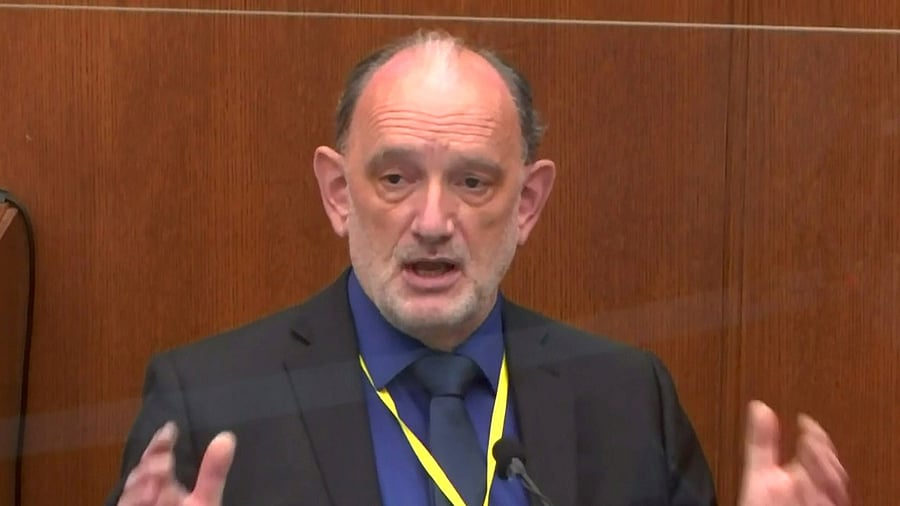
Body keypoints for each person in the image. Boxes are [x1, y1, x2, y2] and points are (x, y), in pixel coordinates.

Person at [107, 30, 849, 506]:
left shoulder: (630, 401)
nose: (432, 223)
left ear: (527, 202)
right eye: (394, 178)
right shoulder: (211, 403)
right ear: (339, 194)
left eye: (472, 182)